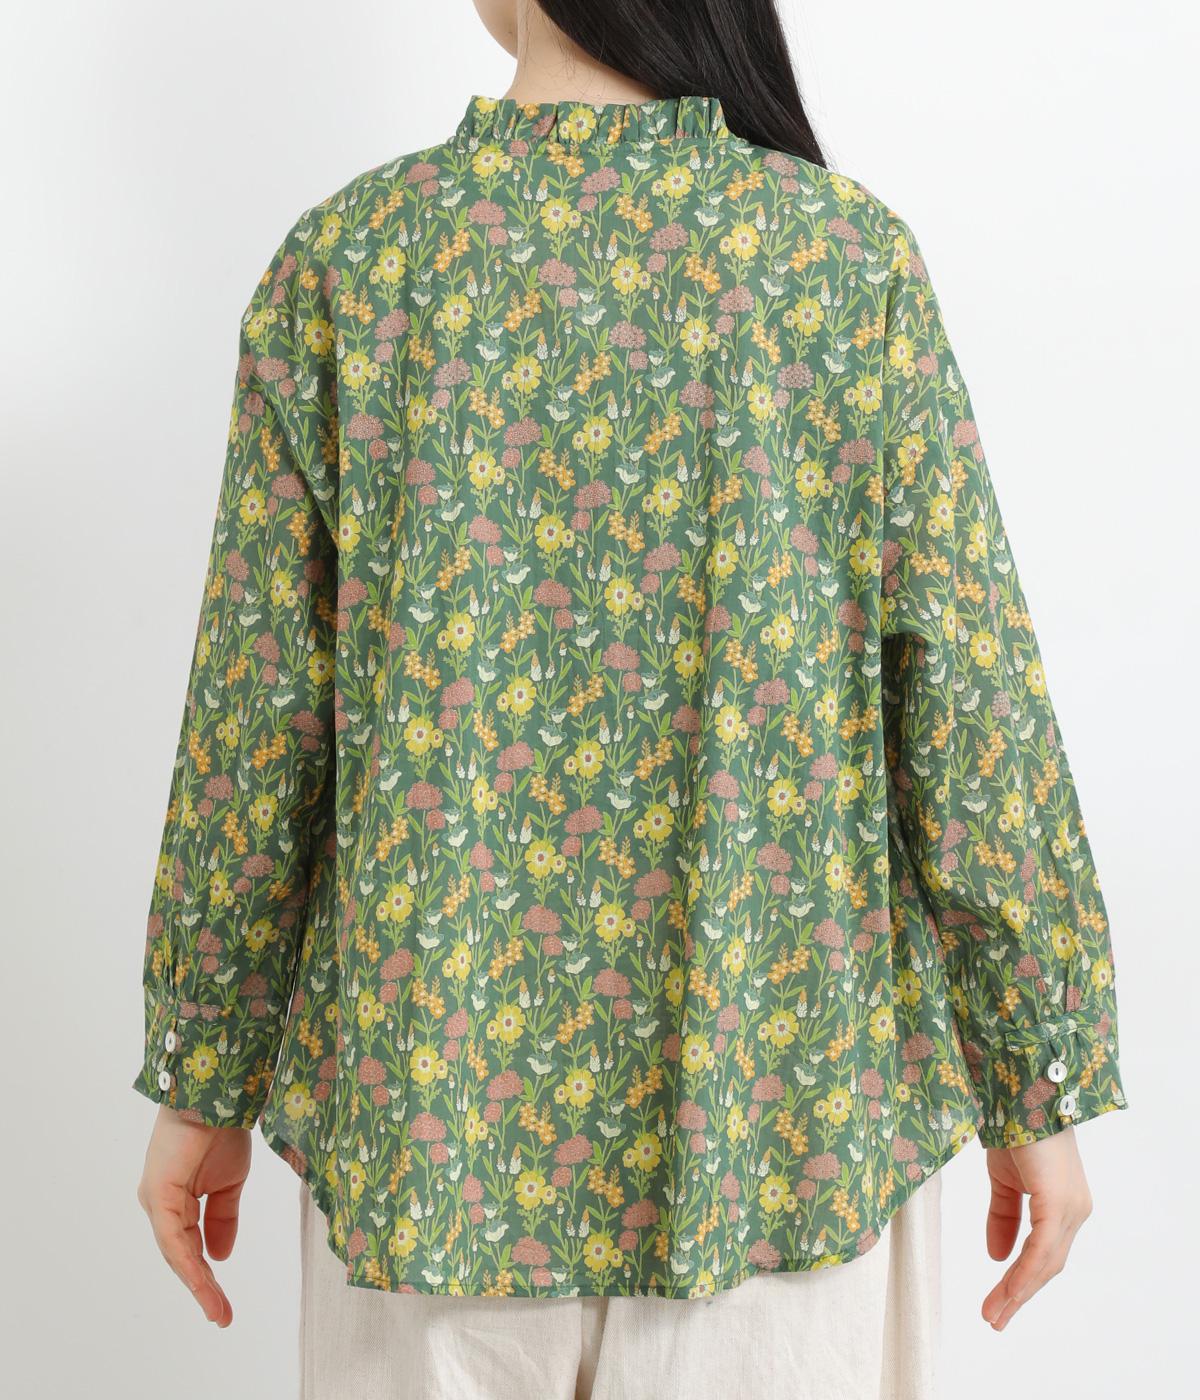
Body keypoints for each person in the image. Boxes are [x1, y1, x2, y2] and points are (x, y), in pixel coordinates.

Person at [133, 1, 1127, 1395]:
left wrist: (205, 1075)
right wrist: (1038, 1076)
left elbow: (258, 723)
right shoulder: (840, 262)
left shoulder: (355, 262)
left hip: (437, 1152)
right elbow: (968, 703)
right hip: (785, 1145)